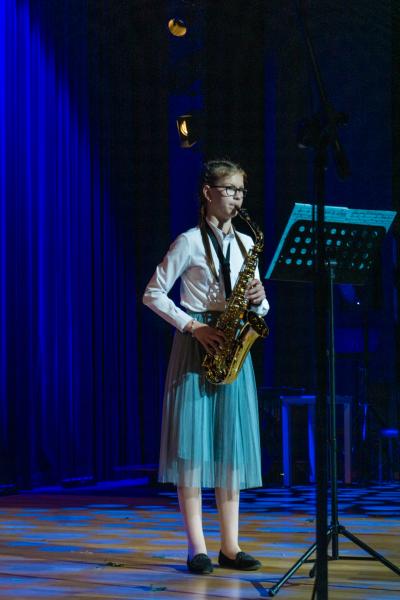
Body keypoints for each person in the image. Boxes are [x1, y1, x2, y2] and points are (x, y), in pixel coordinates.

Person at [143, 158, 269, 575]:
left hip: (233, 346)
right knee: (192, 449)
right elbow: (153, 294)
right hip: (197, 343)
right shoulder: (188, 242)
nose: (237, 198)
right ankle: (196, 547)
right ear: (207, 192)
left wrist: (259, 300)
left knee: (231, 450)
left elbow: (263, 308)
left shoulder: (247, 244)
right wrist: (193, 326)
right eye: (230, 189)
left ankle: (230, 546)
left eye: (241, 191)